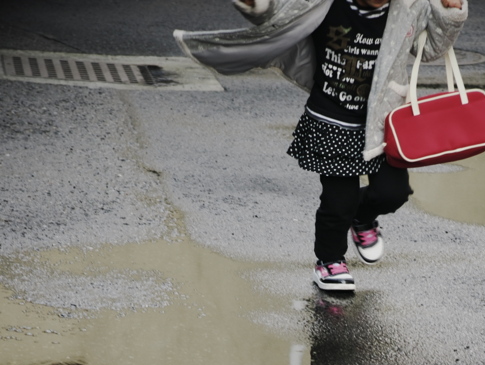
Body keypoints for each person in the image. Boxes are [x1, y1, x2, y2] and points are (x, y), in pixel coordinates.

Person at [176, 0, 468, 292]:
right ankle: (329, 262)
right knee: (338, 202)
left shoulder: (409, 6)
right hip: (332, 119)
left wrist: (449, 12)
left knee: (392, 194)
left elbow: (431, 49)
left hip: (383, 121)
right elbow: (278, 12)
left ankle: (362, 217)